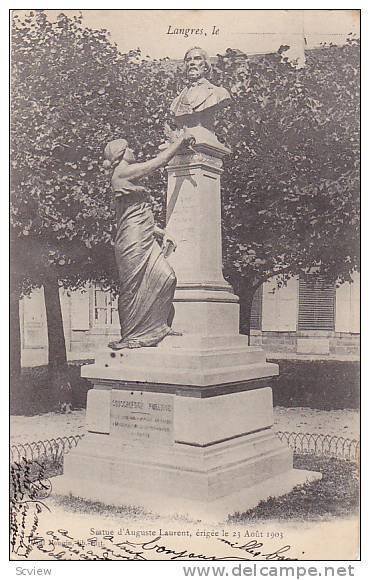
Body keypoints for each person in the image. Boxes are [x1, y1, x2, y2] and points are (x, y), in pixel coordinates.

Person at [103, 134, 191, 350]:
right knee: (132, 286)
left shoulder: (126, 176)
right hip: (131, 238)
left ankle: (157, 328)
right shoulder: (122, 172)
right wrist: (179, 143)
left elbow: (135, 213)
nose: (134, 150)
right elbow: (157, 163)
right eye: (129, 147)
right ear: (121, 153)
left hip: (144, 234)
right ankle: (131, 336)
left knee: (167, 277)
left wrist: (161, 232)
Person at [170, 47, 230, 130]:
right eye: (188, 60)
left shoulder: (219, 93)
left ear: (206, 66)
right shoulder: (176, 101)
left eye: (197, 59)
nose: (192, 63)